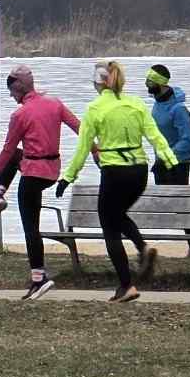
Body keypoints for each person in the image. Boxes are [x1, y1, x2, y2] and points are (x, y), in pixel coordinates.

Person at [60, 60, 178, 303]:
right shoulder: (136, 103)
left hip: (115, 171)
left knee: (110, 225)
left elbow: (83, 149)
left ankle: (126, 285)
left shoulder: (95, 108)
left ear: (98, 83)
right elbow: (154, 135)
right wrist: (170, 159)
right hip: (139, 171)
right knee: (118, 215)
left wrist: (67, 177)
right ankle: (142, 248)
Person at [0, 65, 81, 300]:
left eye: (12, 91)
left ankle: (39, 279)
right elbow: (80, 128)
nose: (11, 96)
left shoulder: (20, 115)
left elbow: (8, 147)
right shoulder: (55, 103)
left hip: (32, 174)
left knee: (30, 227)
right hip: (52, 171)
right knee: (16, 157)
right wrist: (96, 151)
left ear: (19, 87)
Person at [146, 64, 190, 257]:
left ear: (160, 83)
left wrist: (168, 157)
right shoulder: (157, 105)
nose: (146, 84)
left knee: (181, 205)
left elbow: (187, 139)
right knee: (166, 203)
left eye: (149, 81)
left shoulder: (179, 109)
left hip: (179, 161)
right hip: (162, 161)